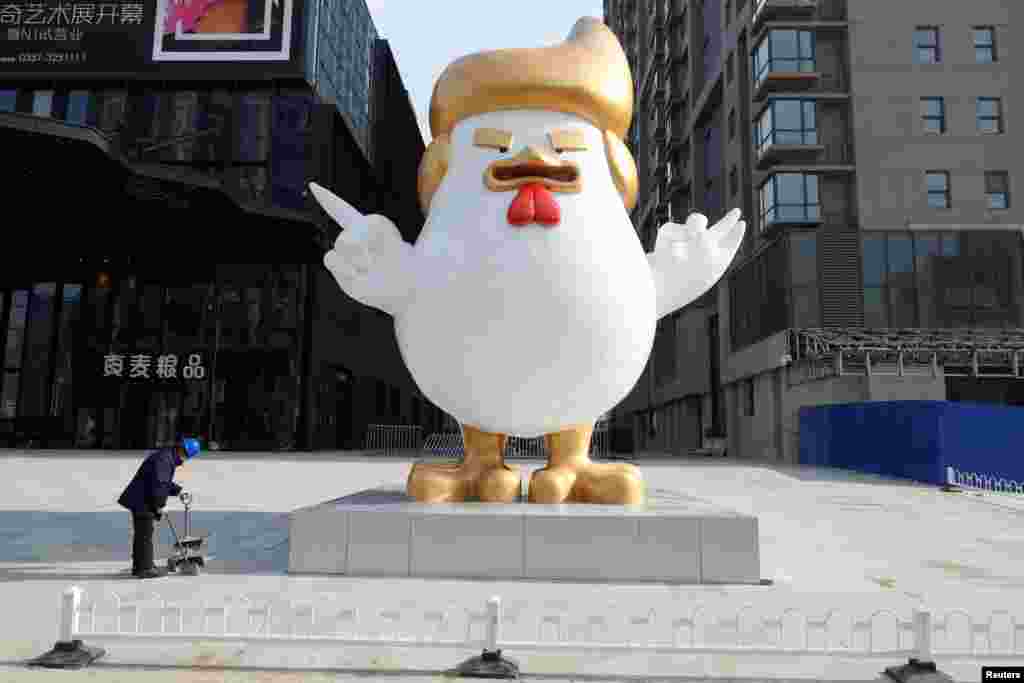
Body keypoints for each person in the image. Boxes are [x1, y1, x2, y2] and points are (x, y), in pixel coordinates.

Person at [118, 437, 201, 579]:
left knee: (143, 534)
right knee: (145, 534)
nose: (185, 461)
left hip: (142, 497)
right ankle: (145, 569)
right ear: (185, 453)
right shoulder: (165, 460)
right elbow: (159, 484)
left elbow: (163, 481)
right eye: (187, 457)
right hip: (142, 500)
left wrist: (179, 490)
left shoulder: (167, 456)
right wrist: (159, 505)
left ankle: (141, 565)